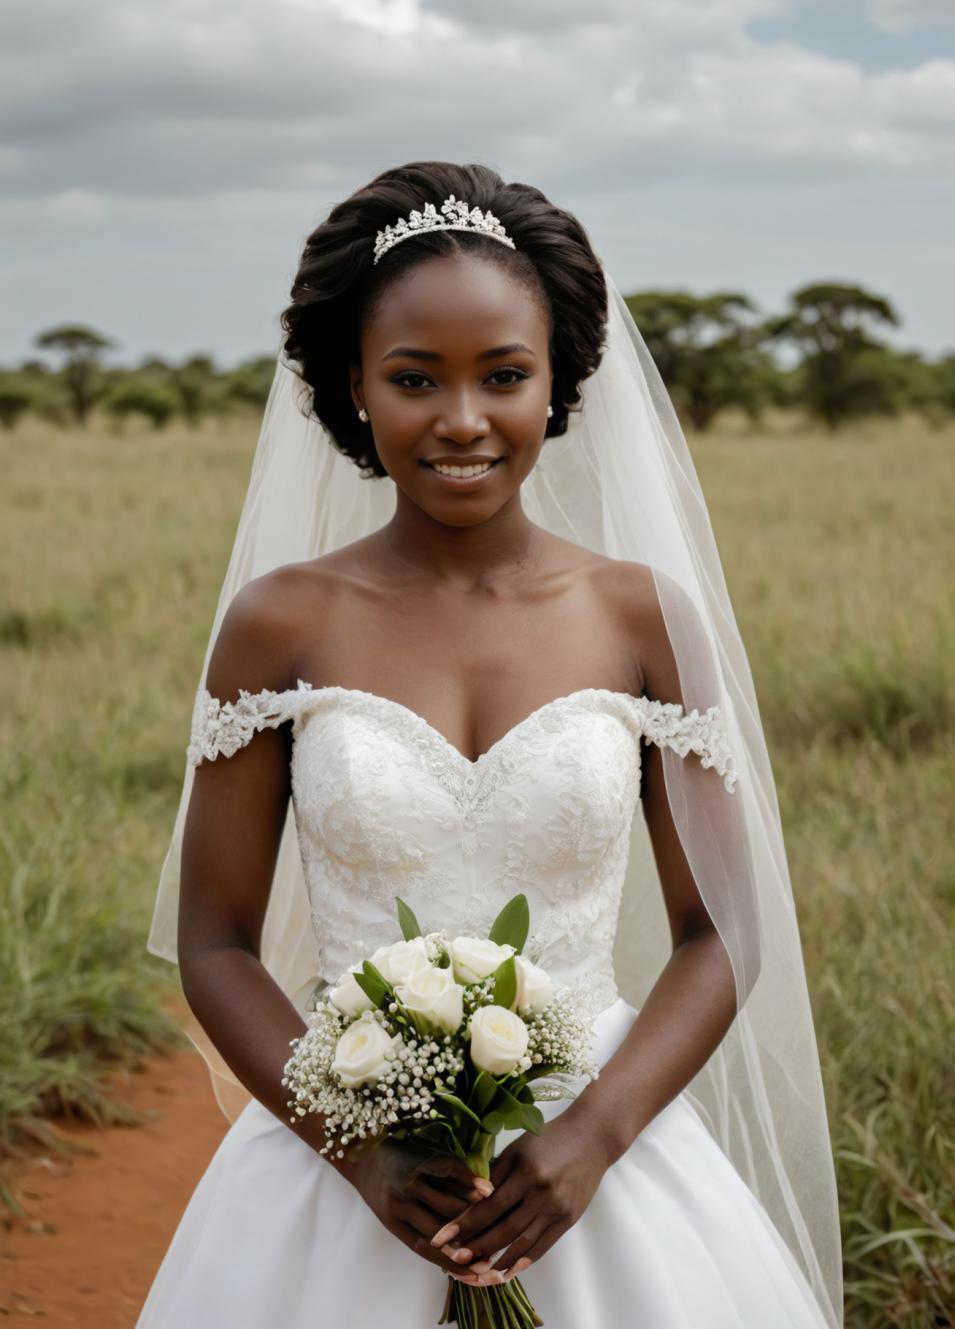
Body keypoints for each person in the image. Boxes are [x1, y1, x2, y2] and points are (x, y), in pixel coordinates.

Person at [137, 160, 843, 1328]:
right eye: (415, 378)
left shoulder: (644, 618)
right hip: (352, 1158)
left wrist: (592, 1141)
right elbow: (215, 943)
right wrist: (360, 1151)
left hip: (595, 1152)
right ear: (353, 387)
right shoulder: (280, 623)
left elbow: (720, 931)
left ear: (557, 378)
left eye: (503, 376)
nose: (462, 420)